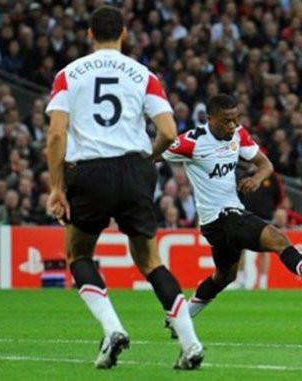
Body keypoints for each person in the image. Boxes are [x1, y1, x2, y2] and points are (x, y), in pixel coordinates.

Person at [44, 6, 202, 370]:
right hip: (134, 169)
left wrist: (56, 187)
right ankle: (191, 344)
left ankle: (112, 328)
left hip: (91, 171)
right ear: (124, 34)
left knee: (78, 256)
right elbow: (168, 131)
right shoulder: (143, 74)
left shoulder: (69, 75)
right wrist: (147, 161)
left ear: (88, 34)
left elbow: (56, 134)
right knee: (150, 260)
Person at [162, 94, 302, 328]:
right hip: (221, 217)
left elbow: (266, 165)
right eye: (226, 121)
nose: (232, 125)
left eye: (235, 119)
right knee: (279, 240)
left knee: (224, 277)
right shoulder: (192, 141)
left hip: (222, 220)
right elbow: (154, 153)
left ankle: (180, 318)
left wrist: (257, 178)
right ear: (209, 119)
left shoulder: (238, 134)